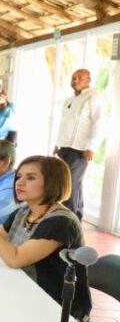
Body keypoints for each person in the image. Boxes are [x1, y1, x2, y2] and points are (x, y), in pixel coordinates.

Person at [0, 155, 92, 322]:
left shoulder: (61, 221)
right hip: (24, 293)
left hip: (56, 308)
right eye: (19, 177)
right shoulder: (25, 211)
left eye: (31, 178)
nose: (20, 182)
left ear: (52, 182)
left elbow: (15, 259)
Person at [55, 68, 108, 220]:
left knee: (71, 184)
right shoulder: (69, 100)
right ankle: (69, 216)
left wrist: (91, 147)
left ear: (88, 80)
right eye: (73, 78)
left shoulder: (95, 98)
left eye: (80, 78)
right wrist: (58, 144)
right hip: (65, 148)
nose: (75, 80)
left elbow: (100, 124)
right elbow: (64, 124)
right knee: (67, 183)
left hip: (80, 150)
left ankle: (71, 219)